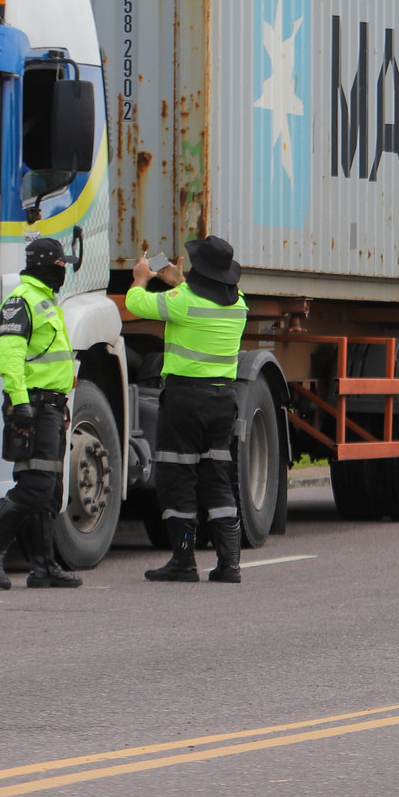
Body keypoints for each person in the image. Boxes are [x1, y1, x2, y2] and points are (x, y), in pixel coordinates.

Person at [129, 236, 250, 583]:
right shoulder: (240, 304)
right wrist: (178, 281)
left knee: (177, 478)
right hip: (223, 400)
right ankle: (230, 565)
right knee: (216, 477)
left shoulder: (182, 302)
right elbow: (200, 300)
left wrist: (142, 276)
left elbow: (137, 304)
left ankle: (184, 560)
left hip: (185, 402)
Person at [0, 237, 82, 590]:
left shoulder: (46, 301)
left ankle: (44, 568)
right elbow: (9, 355)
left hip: (51, 405)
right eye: (62, 265)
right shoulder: (22, 301)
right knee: (35, 485)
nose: (65, 271)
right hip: (31, 404)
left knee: (50, 491)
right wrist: (20, 403)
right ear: (50, 266)